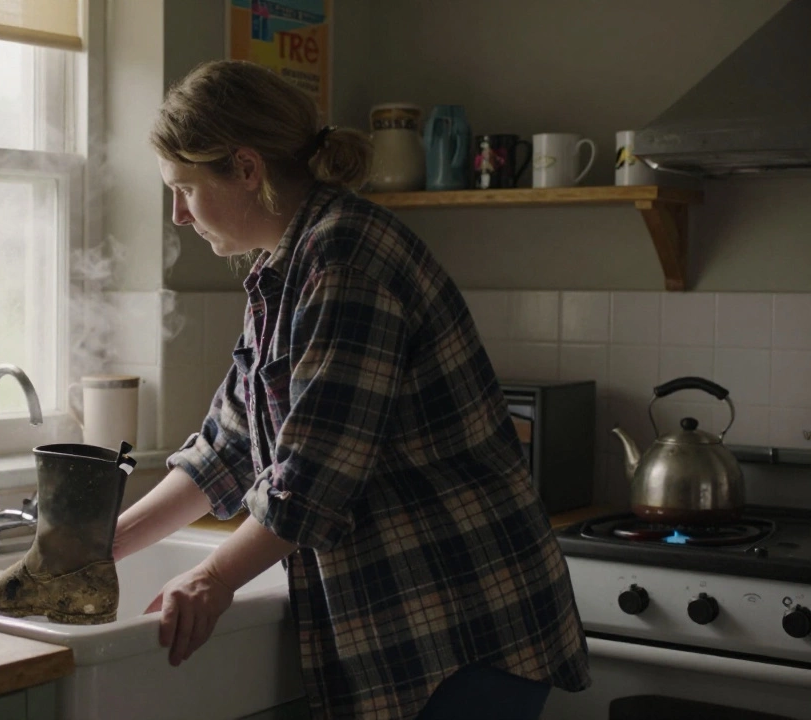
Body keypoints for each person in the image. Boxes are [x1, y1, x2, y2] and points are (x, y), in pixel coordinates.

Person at [112, 59, 591, 720]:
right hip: (424, 617)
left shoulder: (345, 258)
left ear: (246, 168)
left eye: (185, 189)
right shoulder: (285, 267)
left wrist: (213, 576)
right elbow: (228, 446)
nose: (179, 215)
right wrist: (104, 546)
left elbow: (313, 479)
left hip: (467, 619)